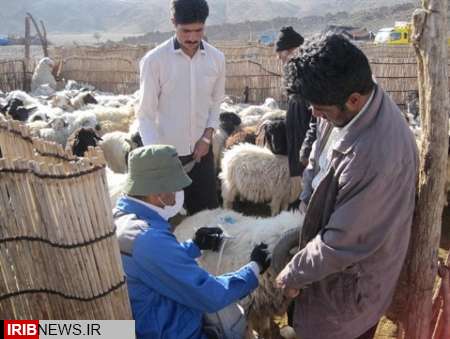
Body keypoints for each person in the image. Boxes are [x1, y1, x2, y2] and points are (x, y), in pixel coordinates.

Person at [275, 34, 418, 339]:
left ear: (353, 100)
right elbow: (317, 158)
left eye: (320, 108)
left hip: (348, 292)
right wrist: (305, 202)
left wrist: (293, 274)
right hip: (325, 272)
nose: (314, 114)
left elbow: (341, 243)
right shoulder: (346, 104)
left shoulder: (376, 156)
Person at [114, 145, 271, 339]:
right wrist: (254, 268)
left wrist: (194, 246)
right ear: (159, 194)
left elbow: (152, 265)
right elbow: (211, 295)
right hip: (171, 331)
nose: (177, 195)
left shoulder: (121, 219)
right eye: (174, 188)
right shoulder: (149, 238)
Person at [136, 0, 224, 215]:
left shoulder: (217, 59)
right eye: (186, 31)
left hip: (201, 155)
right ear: (173, 22)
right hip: (166, 159)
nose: (193, 38)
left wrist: (206, 137)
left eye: (199, 30)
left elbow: (216, 102)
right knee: (164, 217)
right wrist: (160, 166)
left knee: (206, 216)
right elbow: (145, 115)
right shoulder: (154, 61)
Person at [275, 26, 317, 180]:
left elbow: (316, 118)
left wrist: (307, 149)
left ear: (293, 51)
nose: (279, 59)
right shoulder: (294, 78)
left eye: (281, 54)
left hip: (308, 148)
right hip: (298, 143)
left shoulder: (309, 78)